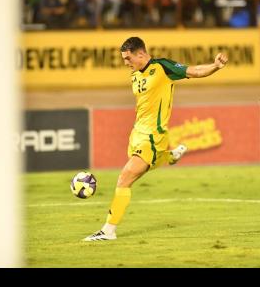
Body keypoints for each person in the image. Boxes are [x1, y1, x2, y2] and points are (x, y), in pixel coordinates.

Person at [83, 37, 228, 241]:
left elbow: (193, 71)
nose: (126, 63)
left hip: (152, 136)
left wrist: (215, 66)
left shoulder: (162, 67)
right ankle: (169, 157)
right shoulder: (135, 75)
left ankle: (108, 231)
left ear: (140, 53)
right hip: (137, 134)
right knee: (140, 169)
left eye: (128, 58)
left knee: (124, 179)